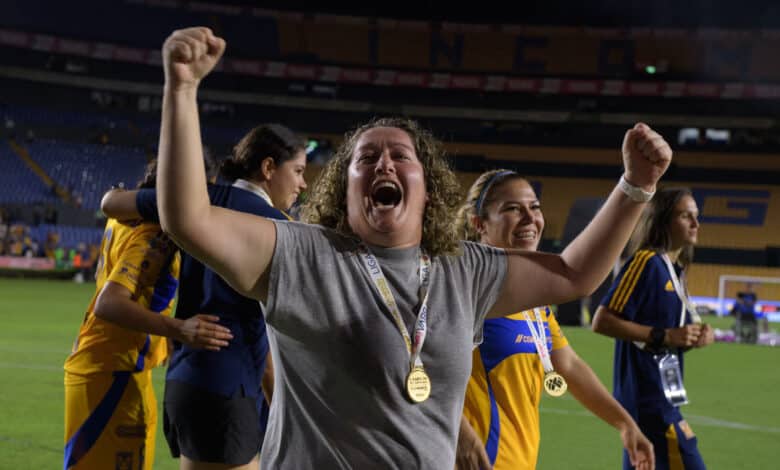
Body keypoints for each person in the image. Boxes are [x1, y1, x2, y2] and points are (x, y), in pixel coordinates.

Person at [155, 27, 671, 469]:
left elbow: (574, 273)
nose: (384, 164)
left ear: (428, 188)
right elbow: (189, 219)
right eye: (366, 157)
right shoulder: (302, 255)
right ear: (342, 185)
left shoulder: (464, 270)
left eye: (401, 156)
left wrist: (635, 187)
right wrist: (181, 88)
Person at [101, 125, 307, 470]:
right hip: (226, 388)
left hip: (188, 382)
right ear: (269, 169)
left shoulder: (199, 200)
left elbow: (112, 202)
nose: (303, 183)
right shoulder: (278, 226)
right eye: (298, 171)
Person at [454, 170, 654, 470]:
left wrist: (626, 424)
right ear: (479, 223)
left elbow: (569, 366)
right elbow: (423, 372)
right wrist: (462, 437)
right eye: (512, 209)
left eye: (534, 207)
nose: (529, 218)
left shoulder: (535, 303)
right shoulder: (461, 289)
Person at [63, 161, 233, 470]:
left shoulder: (124, 217)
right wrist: (179, 329)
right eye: (202, 190)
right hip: (116, 370)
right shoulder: (154, 233)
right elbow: (110, 303)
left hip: (101, 363)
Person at [592, 187, 715, 470]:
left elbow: (667, 334)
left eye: (696, 216)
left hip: (662, 395)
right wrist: (664, 335)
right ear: (662, 220)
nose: (696, 224)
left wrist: (693, 337)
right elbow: (603, 320)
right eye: (686, 216)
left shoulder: (678, 270)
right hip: (648, 399)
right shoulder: (645, 262)